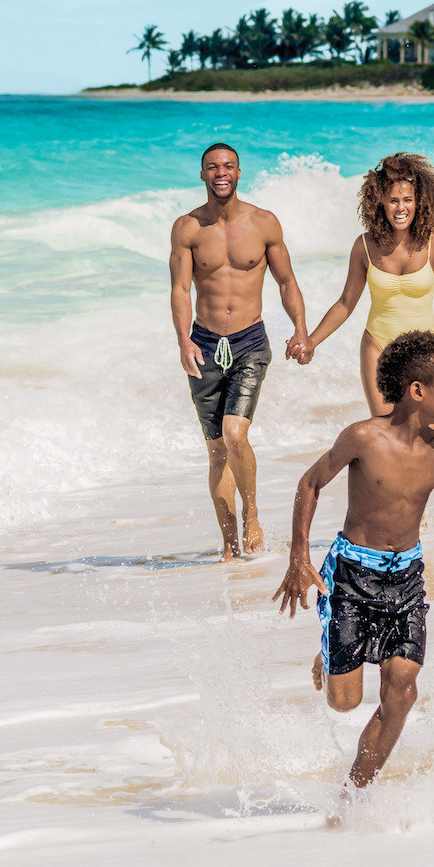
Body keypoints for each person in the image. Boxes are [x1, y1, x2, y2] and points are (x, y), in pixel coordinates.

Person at [273, 330, 434, 802]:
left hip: (406, 579)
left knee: (402, 693)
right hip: (350, 576)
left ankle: (354, 795)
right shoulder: (364, 438)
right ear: (418, 391)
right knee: (344, 703)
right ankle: (329, 648)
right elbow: (310, 483)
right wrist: (298, 558)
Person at [168, 143, 311, 560]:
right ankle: (230, 547)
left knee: (234, 434)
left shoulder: (264, 223)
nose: (220, 173)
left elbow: (286, 281)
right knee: (216, 451)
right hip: (204, 344)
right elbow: (179, 289)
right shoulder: (187, 228)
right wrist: (183, 339)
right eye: (212, 167)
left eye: (228, 166)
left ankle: (252, 513)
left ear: (239, 172)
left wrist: (300, 329)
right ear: (202, 175)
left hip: (249, 341)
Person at [304, 152, 434, 416]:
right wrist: (311, 341)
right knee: (385, 435)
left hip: (427, 353)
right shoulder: (364, 246)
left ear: (418, 202)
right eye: (393, 201)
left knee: (426, 439)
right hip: (378, 347)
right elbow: (345, 304)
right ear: (380, 203)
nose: (401, 208)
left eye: (407, 200)